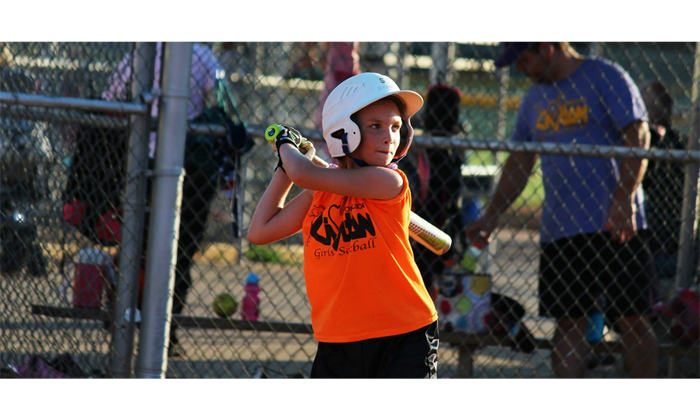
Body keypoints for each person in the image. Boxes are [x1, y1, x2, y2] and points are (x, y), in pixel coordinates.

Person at [465, 41, 658, 378]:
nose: (520, 69)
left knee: (633, 319)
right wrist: (493, 212)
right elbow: (519, 162)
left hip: (616, 223)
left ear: (547, 48)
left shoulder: (605, 76)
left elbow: (638, 132)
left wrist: (625, 198)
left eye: (524, 59)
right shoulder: (533, 99)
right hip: (561, 228)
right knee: (569, 323)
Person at [247, 72, 439, 379]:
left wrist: (285, 142)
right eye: (375, 126)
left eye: (395, 127)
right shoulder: (318, 191)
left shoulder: (388, 181)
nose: (389, 137)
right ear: (342, 132)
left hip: (403, 334)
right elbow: (260, 231)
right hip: (338, 339)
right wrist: (285, 167)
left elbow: (304, 173)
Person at [102, 41, 223, 358]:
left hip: (142, 159)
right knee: (180, 247)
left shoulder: (143, 53)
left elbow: (112, 95)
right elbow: (220, 98)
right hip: (189, 159)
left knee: (137, 242)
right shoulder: (201, 54)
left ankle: (127, 320)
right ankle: (165, 333)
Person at [640, 81, 686, 280]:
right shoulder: (644, 143)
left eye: (644, 107)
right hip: (648, 240)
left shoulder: (677, 145)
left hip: (668, 245)